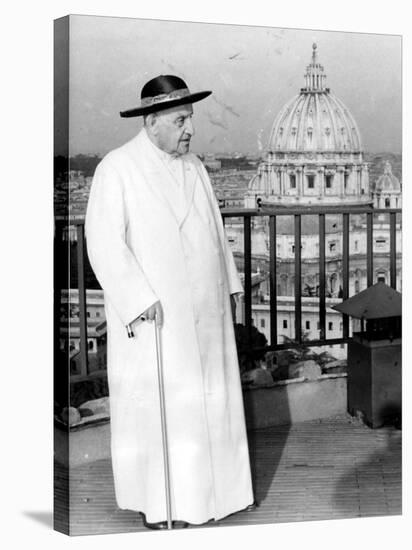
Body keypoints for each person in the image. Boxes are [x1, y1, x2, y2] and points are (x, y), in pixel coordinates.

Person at [85, 74, 254, 529]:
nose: (189, 130)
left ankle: (218, 498)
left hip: (208, 312)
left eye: (190, 120)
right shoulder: (116, 168)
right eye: (181, 120)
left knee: (210, 404)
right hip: (157, 317)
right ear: (153, 121)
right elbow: (102, 242)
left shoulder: (196, 166)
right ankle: (164, 508)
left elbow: (216, 233)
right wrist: (139, 299)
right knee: (166, 412)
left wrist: (230, 288)